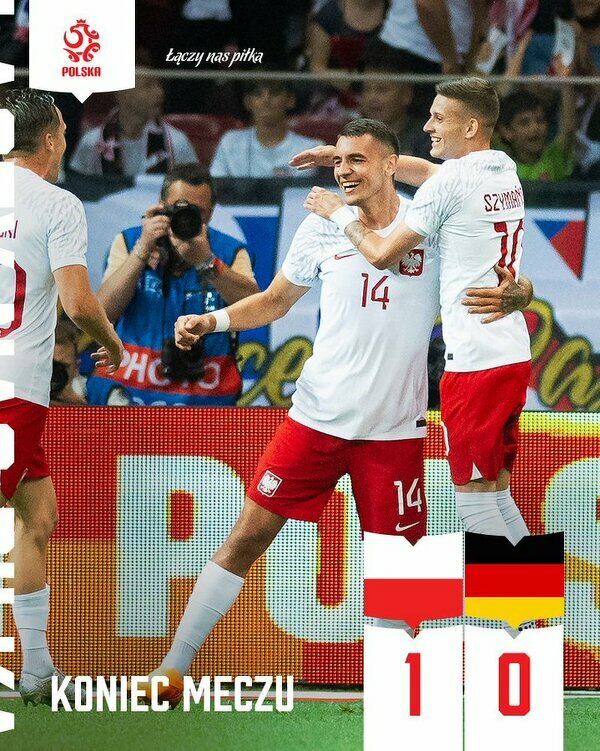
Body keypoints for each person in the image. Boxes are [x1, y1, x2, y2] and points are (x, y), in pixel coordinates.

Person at [137, 118, 529, 706]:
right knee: (247, 536)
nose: (344, 172)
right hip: (315, 419)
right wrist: (210, 320)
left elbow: (499, 266)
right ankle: (172, 668)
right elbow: (273, 301)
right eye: (339, 161)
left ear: (391, 165)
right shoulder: (321, 226)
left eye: (357, 160)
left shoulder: (431, 226)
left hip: (394, 431)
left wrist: (522, 292)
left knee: (406, 574)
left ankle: (419, 683)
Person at [304, 78, 533, 550]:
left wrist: (337, 213)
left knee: (476, 505)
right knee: (497, 497)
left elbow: (382, 253)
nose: (427, 125)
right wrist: (351, 159)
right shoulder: (502, 169)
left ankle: (509, 601)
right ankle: (535, 601)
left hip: (474, 364)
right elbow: (431, 173)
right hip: (510, 354)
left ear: (470, 127)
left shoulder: (449, 183)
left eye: (439, 117)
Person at [0, 89, 123, 705]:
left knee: (38, 515)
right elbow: (77, 300)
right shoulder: (57, 204)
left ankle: (38, 670)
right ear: (50, 139)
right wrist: (112, 342)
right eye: (64, 134)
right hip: (13, 388)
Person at [86, 164, 259, 406]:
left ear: (211, 213)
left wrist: (206, 261)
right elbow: (102, 312)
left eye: (197, 211)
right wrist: (142, 250)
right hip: (130, 393)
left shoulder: (230, 251)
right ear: (161, 204)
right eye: (179, 207)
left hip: (206, 398)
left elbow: (256, 310)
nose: (185, 216)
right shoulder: (129, 241)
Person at [69, 55, 198, 178]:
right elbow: (76, 187)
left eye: (159, 85)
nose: (160, 93)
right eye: (147, 85)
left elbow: (195, 187)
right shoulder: (92, 143)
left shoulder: (176, 143)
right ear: (122, 92)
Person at [210, 80, 323, 178]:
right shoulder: (230, 142)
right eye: (258, 94)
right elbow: (217, 187)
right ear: (247, 102)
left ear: (290, 100)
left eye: (274, 93)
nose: (266, 100)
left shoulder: (309, 148)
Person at [496, 86, 576, 181]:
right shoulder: (500, 164)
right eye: (524, 123)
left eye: (540, 120)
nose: (535, 128)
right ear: (506, 131)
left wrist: (566, 85)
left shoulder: (554, 156)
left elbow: (569, 128)